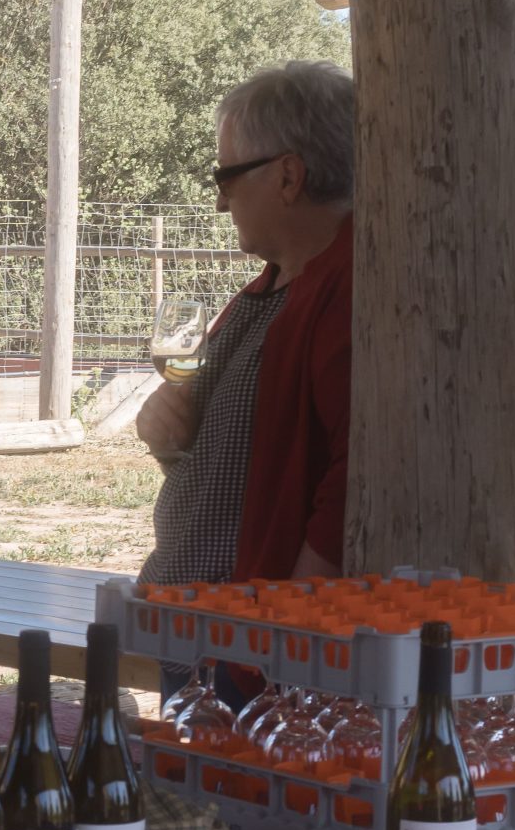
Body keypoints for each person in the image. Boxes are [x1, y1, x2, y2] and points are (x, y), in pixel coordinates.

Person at [136, 62, 355, 604]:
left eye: (226, 178)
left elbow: (355, 478)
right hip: (207, 629)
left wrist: (287, 626)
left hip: (252, 647)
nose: (219, 200)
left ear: (287, 177)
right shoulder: (274, 288)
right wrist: (173, 442)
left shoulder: (349, 292)